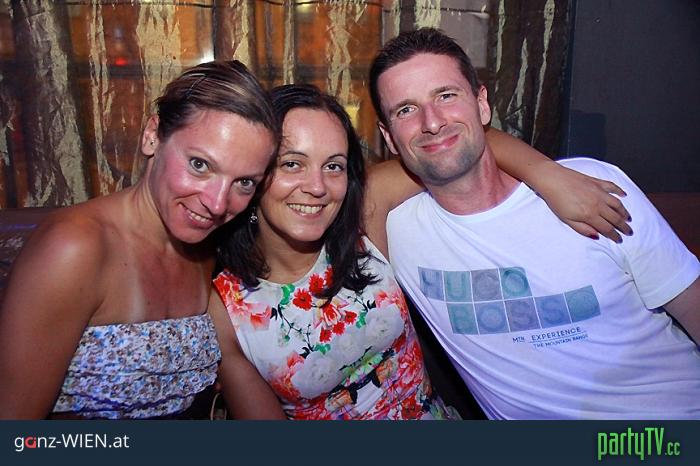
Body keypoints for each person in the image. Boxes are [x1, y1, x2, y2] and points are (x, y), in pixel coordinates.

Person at [208, 84, 632, 419]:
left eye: (333, 165)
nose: (317, 186)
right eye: (292, 163)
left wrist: (548, 174)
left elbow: (460, 148)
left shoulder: (362, 218)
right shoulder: (225, 309)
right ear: (254, 173)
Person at [369, 27, 700, 419]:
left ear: (482, 105)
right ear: (389, 138)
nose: (432, 121)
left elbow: (692, 305)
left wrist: (544, 173)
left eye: (446, 95)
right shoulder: (398, 230)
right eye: (405, 110)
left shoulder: (592, 188)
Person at [0, 60, 279, 419]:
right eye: (200, 165)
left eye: (244, 183)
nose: (217, 203)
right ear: (152, 136)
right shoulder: (74, 247)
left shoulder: (206, 248)